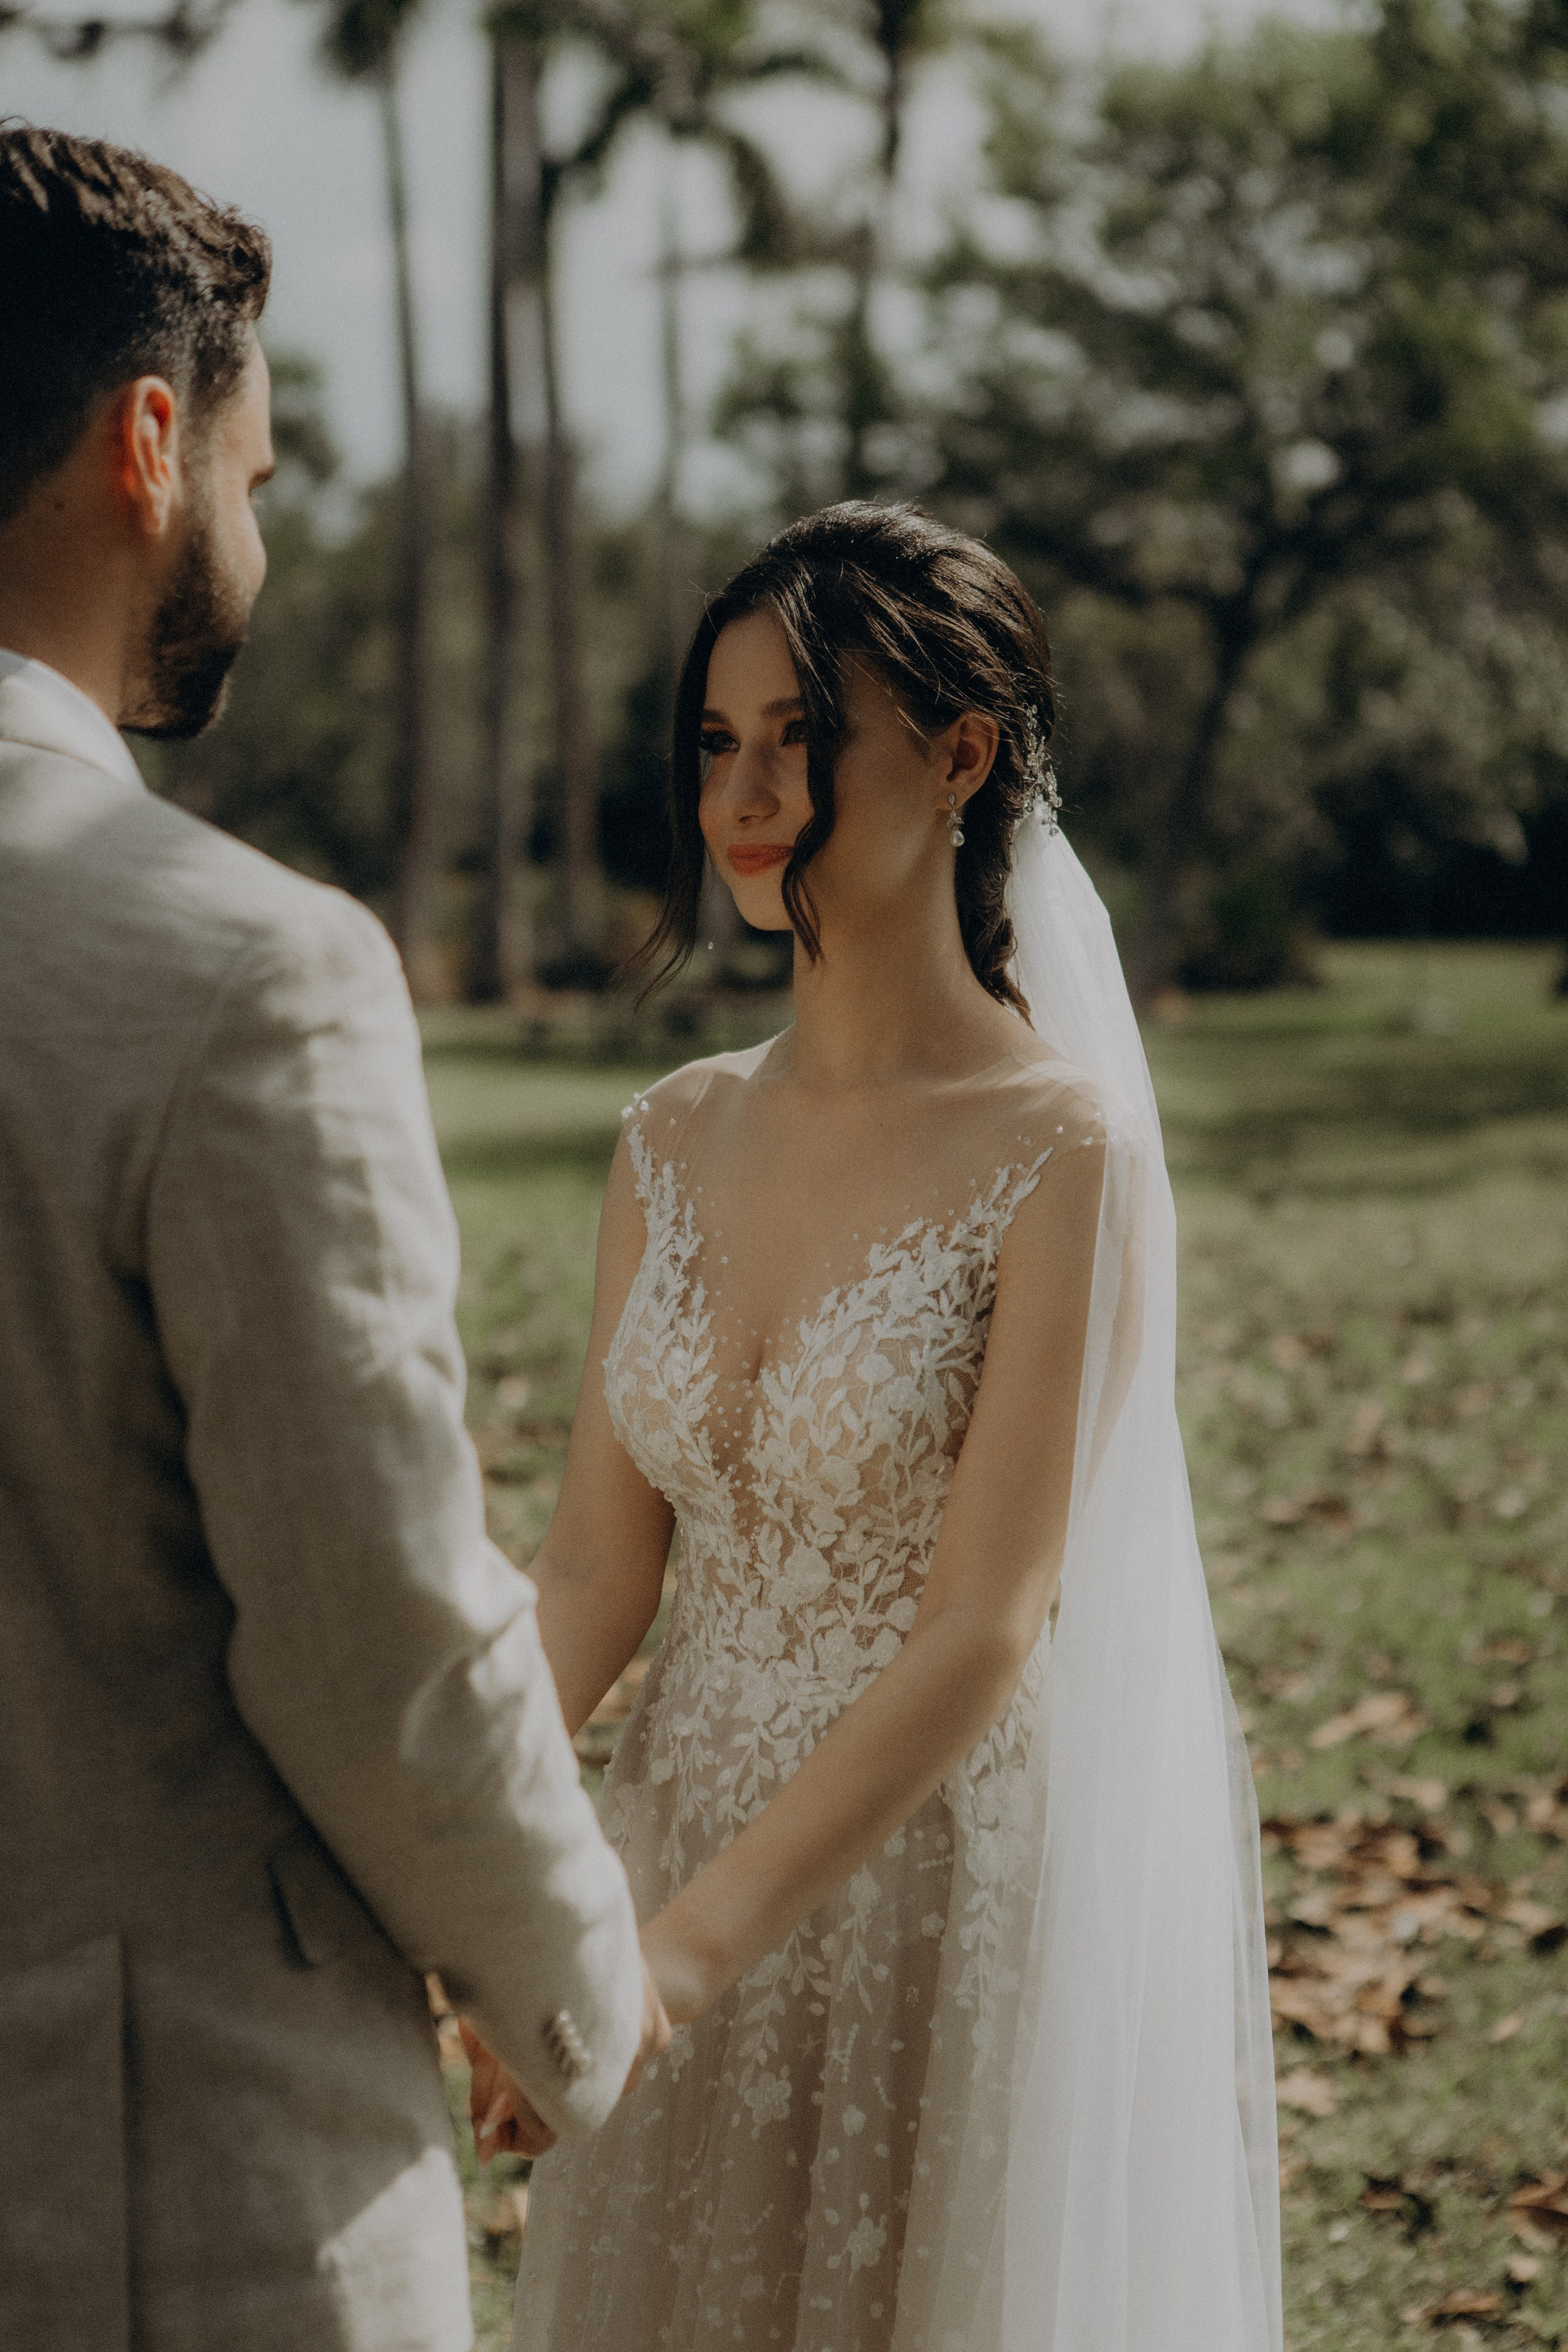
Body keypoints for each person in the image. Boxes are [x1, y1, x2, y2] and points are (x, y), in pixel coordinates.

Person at [472, 503, 1282, 2351]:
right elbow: (595, 1569)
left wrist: (683, 1959)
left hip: (921, 1872)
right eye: (717, 741)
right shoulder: (669, 1135)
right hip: (663, 1840)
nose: (747, 795)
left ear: (962, 756)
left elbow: (987, 1624)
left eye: (802, 735)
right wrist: (468, 1863)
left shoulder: (1063, 1152)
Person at [0, 124, 666, 2352]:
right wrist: (575, 1984)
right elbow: (369, 1629)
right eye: (259, 480)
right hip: (154, 2188)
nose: (259, 539)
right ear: (149, 444)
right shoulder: (234, 967)